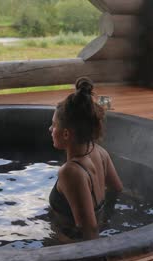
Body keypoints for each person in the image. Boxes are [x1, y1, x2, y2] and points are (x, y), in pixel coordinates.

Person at [49, 77, 123, 241]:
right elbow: (116, 189)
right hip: (99, 227)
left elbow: (88, 230)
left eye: (54, 125)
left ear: (66, 134)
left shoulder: (70, 172)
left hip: (69, 243)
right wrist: (105, 219)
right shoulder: (100, 152)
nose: (50, 129)